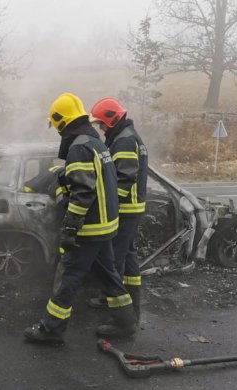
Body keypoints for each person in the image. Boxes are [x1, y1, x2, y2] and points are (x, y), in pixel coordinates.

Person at [23, 92, 137, 344]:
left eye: (55, 125)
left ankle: (51, 330)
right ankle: (126, 323)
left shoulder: (79, 148)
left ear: (61, 121)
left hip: (90, 228)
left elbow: (83, 192)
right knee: (109, 275)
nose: (55, 131)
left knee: (69, 276)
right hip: (107, 226)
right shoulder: (95, 143)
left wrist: (69, 229)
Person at [88, 97, 148, 322]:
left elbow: (124, 178)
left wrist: (112, 205)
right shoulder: (129, 136)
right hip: (133, 207)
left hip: (126, 208)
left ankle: (113, 305)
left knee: (114, 258)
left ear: (112, 120)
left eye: (102, 123)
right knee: (129, 253)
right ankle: (132, 295)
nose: (101, 128)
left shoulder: (123, 141)